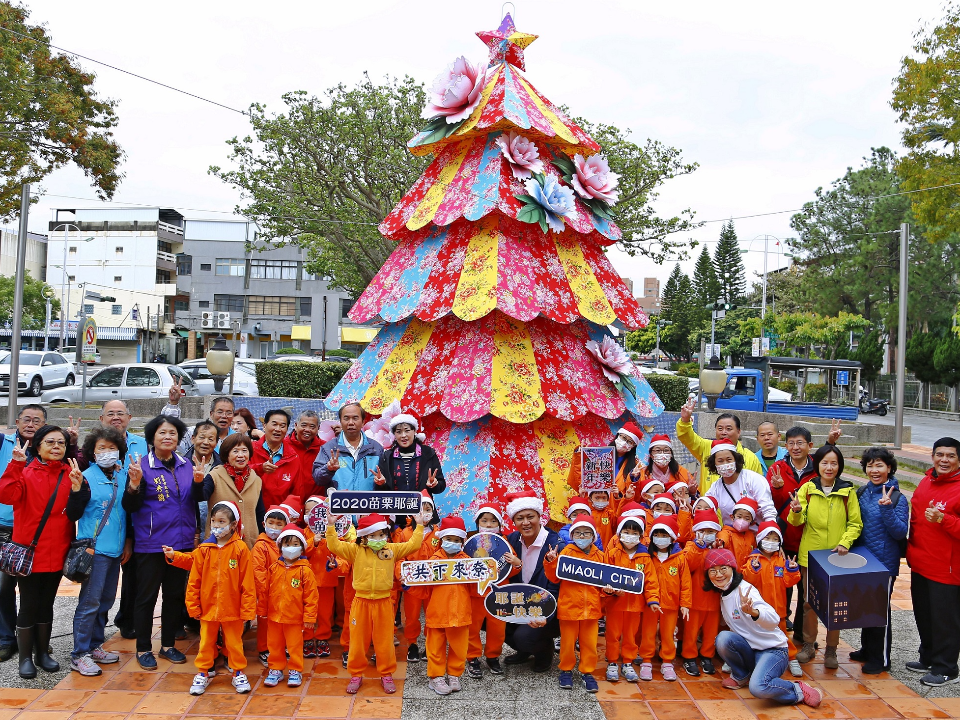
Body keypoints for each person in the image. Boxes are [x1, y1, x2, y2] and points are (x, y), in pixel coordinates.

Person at [0, 426, 80, 679]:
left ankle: (42, 653)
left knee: (47, 604)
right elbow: (6, 495)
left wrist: (79, 488)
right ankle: (25, 658)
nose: (56, 446)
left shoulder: (71, 473)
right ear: (38, 445)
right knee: (28, 604)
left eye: (61, 443)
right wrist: (15, 464)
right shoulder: (25, 472)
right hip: (30, 553)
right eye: (50, 442)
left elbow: (79, 509)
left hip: (58, 551)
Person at [122, 415, 196, 670]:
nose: (168, 437)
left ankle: (167, 645)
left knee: (175, 595)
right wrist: (133, 484)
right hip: (152, 543)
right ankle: (144, 648)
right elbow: (129, 506)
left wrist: (199, 482)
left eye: (173, 433)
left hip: (181, 543)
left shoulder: (187, 464)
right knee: (146, 597)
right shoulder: (140, 465)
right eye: (162, 433)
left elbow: (192, 501)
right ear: (152, 437)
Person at [706, 548, 822, 708]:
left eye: (723, 569)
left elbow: (773, 618)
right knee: (723, 639)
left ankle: (797, 690)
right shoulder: (723, 593)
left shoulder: (745, 590)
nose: (718, 575)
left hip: (773, 650)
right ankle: (741, 675)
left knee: (758, 687)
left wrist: (753, 612)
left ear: (732, 568)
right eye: (713, 571)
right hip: (752, 650)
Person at [163, 501, 255, 696]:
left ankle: (238, 671)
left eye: (222, 521)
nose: (216, 525)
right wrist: (174, 556)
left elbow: (248, 582)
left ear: (233, 525)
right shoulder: (206, 548)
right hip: (208, 608)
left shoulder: (240, 549)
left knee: (234, 643)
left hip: (233, 609)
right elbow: (193, 572)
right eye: (213, 521)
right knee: (205, 643)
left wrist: (247, 609)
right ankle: (203, 672)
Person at [326, 512, 424, 695]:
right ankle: (356, 675)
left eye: (381, 535)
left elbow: (413, 545)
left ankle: (386, 674)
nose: (378, 539)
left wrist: (419, 526)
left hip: (384, 602)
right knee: (358, 641)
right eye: (373, 535)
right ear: (363, 536)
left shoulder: (391, 549)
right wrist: (331, 526)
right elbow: (334, 545)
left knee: (385, 641)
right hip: (360, 602)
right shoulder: (355, 550)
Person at [67, 426, 137, 677]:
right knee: (89, 602)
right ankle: (79, 654)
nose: (108, 453)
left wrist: (127, 543)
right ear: (92, 452)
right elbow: (73, 514)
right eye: (102, 449)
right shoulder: (85, 477)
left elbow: (128, 512)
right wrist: (75, 490)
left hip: (116, 549)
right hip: (94, 551)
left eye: (112, 448)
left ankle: (95, 644)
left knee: (106, 600)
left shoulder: (123, 475)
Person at [787, 444, 862, 668]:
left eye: (834, 463)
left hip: (837, 557)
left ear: (839, 466)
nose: (829, 468)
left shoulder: (847, 492)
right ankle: (809, 645)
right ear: (817, 464)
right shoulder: (807, 489)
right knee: (809, 603)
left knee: (836, 605)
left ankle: (831, 649)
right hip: (810, 556)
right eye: (824, 463)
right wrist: (797, 510)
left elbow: (855, 524)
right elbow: (796, 522)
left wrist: (844, 542)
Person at [845, 447, 909, 675]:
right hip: (863, 561)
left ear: (889, 468)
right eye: (870, 465)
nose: (874, 470)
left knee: (880, 611)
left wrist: (888, 509)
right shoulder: (862, 492)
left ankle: (881, 658)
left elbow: (901, 532)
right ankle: (866, 649)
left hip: (884, 563)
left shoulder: (898, 497)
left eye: (879, 465)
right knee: (865, 607)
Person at [906, 437, 960, 686]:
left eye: (950, 456)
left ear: (958, 459)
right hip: (921, 563)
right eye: (940, 455)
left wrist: (944, 519)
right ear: (933, 457)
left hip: (947, 569)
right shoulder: (927, 481)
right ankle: (928, 657)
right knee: (924, 615)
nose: (944, 460)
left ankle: (946, 668)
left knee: (945, 620)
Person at [0, 404, 50, 660]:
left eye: (37, 421)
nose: (31, 424)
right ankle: (7, 638)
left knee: (33, 589)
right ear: (17, 422)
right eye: (26, 420)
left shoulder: (49, 451)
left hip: (36, 531)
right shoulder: (4, 443)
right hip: (5, 526)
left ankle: (33, 638)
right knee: (4, 586)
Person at [98, 400, 148, 642]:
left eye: (120, 413)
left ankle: (126, 620)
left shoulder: (141, 444)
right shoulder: (95, 447)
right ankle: (95, 630)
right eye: (110, 414)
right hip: (104, 522)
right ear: (101, 419)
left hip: (134, 517)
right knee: (100, 581)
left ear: (129, 417)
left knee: (133, 576)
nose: (115, 417)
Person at [543, 516, 603, 693]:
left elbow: (604, 582)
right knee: (567, 643)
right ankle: (566, 670)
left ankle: (587, 672)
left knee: (590, 644)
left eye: (586, 533)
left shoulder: (600, 556)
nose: (582, 536)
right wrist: (552, 561)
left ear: (593, 536)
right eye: (578, 532)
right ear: (572, 534)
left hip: (591, 610)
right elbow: (554, 578)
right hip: (569, 608)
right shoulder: (566, 552)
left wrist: (607, 591)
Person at [503, 491, 560, 673]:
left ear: (539, 517)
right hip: (521, 603)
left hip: (549, 610)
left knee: (524, 636)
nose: (525, 523)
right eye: (520, 518)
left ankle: (544, 651)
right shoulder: (511, 541)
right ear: (514, 521)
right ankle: (524, 650)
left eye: (530, 517)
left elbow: (558, 586)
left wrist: (547, 615)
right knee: (492, 622)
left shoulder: (555, 544)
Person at [740, 521, 802, 678]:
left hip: (777, 609)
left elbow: (789, 582)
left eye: (776, 539)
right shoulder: (752, 559)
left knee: (782, 635)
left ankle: (791, 657)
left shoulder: (781, 560)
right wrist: (753, 569)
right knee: (750, 634)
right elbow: (747, 579)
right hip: (756, 610)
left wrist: (792, 569)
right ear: (760, 539)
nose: (772, 542)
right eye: (769, 537)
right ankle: (740, 659)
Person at [605, 511, 659, 683]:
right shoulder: (612, 553)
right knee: (612, 634)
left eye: (635, 533)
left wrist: (653, 600)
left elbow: (651, 581)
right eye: (626, 532)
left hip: (635, 605)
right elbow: (604, 576)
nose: (630, 536)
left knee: (630, 635)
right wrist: (610, 590)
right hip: (615, 604)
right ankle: (612, 662)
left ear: (641, 537)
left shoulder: (645, 557)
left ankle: (627, 661)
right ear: (619, 534)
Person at [263, 524, 318, 689]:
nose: (291, 548)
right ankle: (275, 668)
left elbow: (312, 597)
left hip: (294, 618)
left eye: (296, 544)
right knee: (274, 644)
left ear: (302, 548)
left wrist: (309, 618)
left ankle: (295, 669)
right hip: (274, 616)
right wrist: (262, 611)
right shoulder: (273, 568)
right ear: (280, 547)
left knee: (294, 645)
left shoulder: (305, 571)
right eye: (287, 544)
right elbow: (266, 591)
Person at [465, 505, 518, 678]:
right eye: (484, 520)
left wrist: (516, 562)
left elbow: (512, 570)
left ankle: (493, 656)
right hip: (476, 593)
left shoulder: (505, 543)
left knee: (497, 627)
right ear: (477, 523)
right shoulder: (470, 542)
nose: (488, 525)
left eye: (493, 520)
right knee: (472, 627)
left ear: (500, 524)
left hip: (498, 593)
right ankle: (472, 657)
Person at [637, 514, 690, 682]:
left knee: (668, 634)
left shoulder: (680, 558)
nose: (660, 539)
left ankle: (667, 661)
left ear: (672, 538)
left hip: (671, 604)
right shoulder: (647, 556)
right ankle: (646, 660)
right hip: (649, 604)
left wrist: (685, 603)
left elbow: (686, 583)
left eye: (664, 535)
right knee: (648, 632)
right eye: (657, 535)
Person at [424, 517, 472, 696]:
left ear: (462, 541)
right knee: (435, 646)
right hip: (437, 611)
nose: (452, 543)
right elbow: (423, 588)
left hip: (460, 612)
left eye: (457, 540)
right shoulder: (432, 561)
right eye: (449, 539)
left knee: (459, 646)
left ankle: (454, 674)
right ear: (441, 539)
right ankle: (436, 676)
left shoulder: (467, 561)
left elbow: (475, 587)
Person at [676, 398, 765, 494]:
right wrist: (685, 420)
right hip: (709, 506)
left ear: (738, 432)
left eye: (728, 429)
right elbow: (687, 437)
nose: (724, 432)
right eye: (720, 428)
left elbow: (758, 488)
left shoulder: (751, 457)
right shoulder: (706, 447)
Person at [193, 433, 264, 550]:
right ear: (227, 454)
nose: (241, 455)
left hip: (248, 546)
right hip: (218, 545)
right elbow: (200, 496)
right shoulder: (215, 475)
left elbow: (259, 514)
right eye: (235, 451)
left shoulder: (256, 480)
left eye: (244, 451)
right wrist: (198, 481)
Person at [373, 413, 446, 511]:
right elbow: (381, 492)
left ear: (414, 431)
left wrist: (435, 484)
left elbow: (441, 486)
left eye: (407, 431)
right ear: (394, 434)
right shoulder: (387, 457)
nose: (403, 435)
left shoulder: (428, 453)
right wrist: (382, 484)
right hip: (395, 515)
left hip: (422, 513)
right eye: (398, 432)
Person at [681, 509, 722, 677]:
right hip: (695, 599)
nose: (706, 535)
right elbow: (688, 564)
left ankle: (707, 655)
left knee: (711, 631)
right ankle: (689, 656)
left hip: (713, 599)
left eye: (710, 531)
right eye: (703, 531)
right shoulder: (691, 547)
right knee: (691, 631)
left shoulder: (720, 549)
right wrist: (698, 547)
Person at [401, 492, 439, 663]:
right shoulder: (405, 533)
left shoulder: (439, 534)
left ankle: (430, 645)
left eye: (427, 509)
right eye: (420, 509)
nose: (424, 513)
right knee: (412, 616)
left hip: (433, 584)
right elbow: (399, 559)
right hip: (412, 584)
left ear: (433, 511)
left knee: (433, 615)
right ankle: (412, 644)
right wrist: (400, 574)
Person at [313, 403, 382, 495]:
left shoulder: (376, 449)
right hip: (338, 506)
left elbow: (385, 480)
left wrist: (382, 482)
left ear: (363, 422)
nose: (350, 422)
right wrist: (328, 469)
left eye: (355, 418)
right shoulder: (329, 448)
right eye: (346, 418)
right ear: (340, 422)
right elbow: (318, 479)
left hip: (368, 506)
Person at [704, 440, 776, 527]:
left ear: (736, 460)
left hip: (757, 535)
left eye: (729, 459)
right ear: (714, 464)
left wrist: (769, 531)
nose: (725, 464)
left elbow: (767, 509)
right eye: (720, 461)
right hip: (732, 536)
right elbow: (705, 508)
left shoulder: (753, 479)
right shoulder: (715, 488)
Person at [566, 422, 645, 495]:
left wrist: (634, 479)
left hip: (616, 507)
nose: (624, 443)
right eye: (623, 438)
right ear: (618, 436)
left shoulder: (636, 467)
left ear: (633, 446)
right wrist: (581, 456)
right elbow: (577, 482)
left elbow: (636, 496)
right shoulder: (598, 454)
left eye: (630, 442)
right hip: (593, 503)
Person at [252, 505, 288, 666]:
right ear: (264, 523)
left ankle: (280, 646)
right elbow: (258, 572)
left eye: (279, 524)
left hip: (285, 591)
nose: (274, 527)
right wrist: (265, 591)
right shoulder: (260, 546)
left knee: (283, 621)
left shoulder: (287, 544)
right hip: (267, 593)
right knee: (265, 622)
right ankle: (264, 649)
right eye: (271, 523)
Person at [250, 410, 302, 510]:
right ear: (264, 425)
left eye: (282, 426)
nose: (278, 429)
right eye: (274, 424)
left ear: (287, 429)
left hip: (279, 519)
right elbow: (238, 473)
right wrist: (260, 468)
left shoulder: (293, 457)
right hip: (252, 515)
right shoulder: (250, 449)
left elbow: (296, 494)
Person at [630, 434, 695, 500]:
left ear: (671, 454)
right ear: (651, 455)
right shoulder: (641, 473)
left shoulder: (682, 472)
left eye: (666, 450)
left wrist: (692, 492)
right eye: (658, 451)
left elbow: (692, 500)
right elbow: (635, 497)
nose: (662, 454)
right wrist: (634, 479)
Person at [169, 395, 235, 454]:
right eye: (220, 412)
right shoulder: (195, 432)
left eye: (229, 413)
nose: (224, 416)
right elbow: (172, 432)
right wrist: (173, 404)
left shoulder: (237, 438)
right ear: (211, 414)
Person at [288, 411, 323, 496]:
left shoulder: (325, 448)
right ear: (296, 426)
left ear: (318, 428)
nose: (307, 430)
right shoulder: (284, 446)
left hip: (316, 501)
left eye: (312, 427)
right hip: (289, 501)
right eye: (303, 425)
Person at [718, 497, 759, 569]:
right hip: (732, 573)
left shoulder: (751, 536)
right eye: (739, 517)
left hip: (747, 573)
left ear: (752, 522)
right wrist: (721, 542)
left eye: (747, 518)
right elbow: (723, 538)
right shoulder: (727, 532)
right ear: (732, 517)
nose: (742, 520)